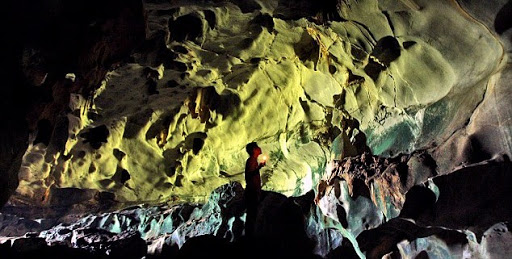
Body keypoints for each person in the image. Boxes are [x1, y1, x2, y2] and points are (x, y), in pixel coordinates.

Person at [244, 142, 266, 236]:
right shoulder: (251, 161)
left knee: (252, 214)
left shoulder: (253, 161)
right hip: (252, 192)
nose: (259, 148)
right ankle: (250, 236)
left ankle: (250, 235)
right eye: (257, 147)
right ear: (254, 150)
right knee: (252, 215)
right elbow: (249, 175)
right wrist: (259, 168)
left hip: (254, 191)